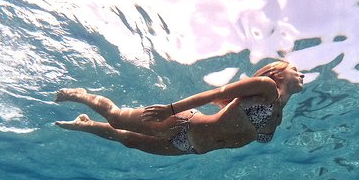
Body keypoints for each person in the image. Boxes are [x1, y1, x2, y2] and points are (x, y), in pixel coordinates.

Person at [54, 61, 305, 155]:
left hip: (191, 147)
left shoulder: (278, 117)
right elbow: (216, 94)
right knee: (117, 119)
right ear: (277, 73)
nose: (302, 73)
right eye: (295, 70)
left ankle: (85, 126)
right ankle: (83, 96)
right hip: (184, 123)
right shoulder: (265, 86)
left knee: (128, 140)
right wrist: (170, 110)